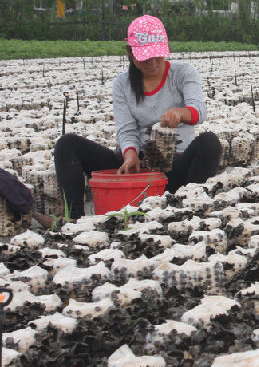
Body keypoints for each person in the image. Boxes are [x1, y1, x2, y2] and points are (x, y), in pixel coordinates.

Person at [54, 15, 222, 220]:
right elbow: (126, 129)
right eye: (144, 57)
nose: (152, 63)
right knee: (67, 144)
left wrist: (180, 113)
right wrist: (130, 154)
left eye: (157, 56)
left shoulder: (183, 73)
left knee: (209, 143)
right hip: (137, 165)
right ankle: (74, 220)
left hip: (173, 168)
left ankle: (189, 212)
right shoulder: (122, 83)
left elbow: (198, 111)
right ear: (131, 54)